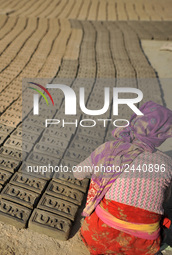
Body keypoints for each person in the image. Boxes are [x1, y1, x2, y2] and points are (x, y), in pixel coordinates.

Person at [73, 101, 172, 255]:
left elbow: (78, 173)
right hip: (143, 246)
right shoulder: (167, 163)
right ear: (163, 134)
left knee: (100, 182)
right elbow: (165, 199)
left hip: (99, 237)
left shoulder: (110, 148)